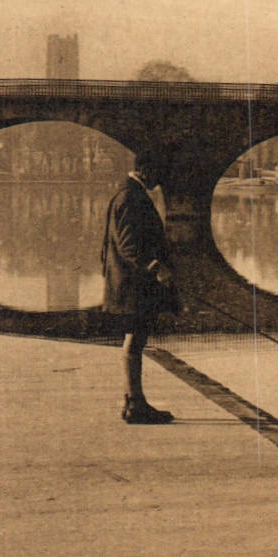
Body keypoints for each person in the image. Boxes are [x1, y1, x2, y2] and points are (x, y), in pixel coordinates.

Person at [101, 150, 181, 424]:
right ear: (146, 170)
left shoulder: (129, 193)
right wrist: (156, 268)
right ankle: (136, 404)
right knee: (135, 340)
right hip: (134, 285)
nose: (160, 183)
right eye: (158, 175)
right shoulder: (130, 197)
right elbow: (128, 245)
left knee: (135, 339)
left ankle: (133, 401)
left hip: (131, 283)